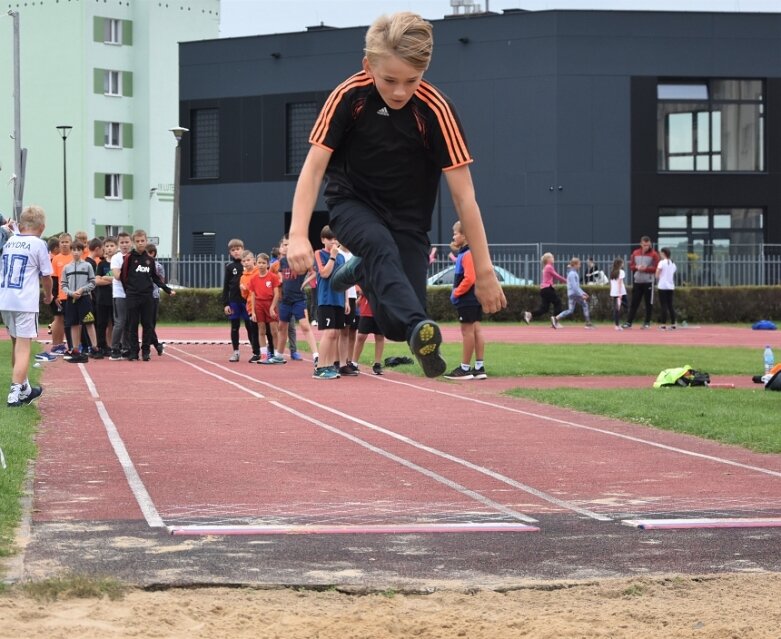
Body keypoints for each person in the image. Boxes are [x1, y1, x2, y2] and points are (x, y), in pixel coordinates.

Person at [286, 12, 506, 379]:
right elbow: (313, 169)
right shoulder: (349, 96)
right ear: (367, 65)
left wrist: (485, 271)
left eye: (412, 80)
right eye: (389, 80)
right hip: (352, 203)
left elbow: (465, 197)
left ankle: (363, 271)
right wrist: (297, 233)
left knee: (392, 323)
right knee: (379, 247)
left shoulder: (436, 110)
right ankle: (415, 319)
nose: (401, 92)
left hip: (407, 220)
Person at [0, 205, 54, 406]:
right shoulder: (39, 244)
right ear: (42, 227)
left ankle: (25, 389)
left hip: (5, 298)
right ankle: (15, 391)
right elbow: (46, 276)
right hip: (24, 301)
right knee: (24, 348)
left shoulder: (9, 240)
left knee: (16, 344)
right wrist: (48, 295)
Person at [120, 230, 175, 361]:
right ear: (134, 242)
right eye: (137, 241)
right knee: (132, 324)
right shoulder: (128, 258)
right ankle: (134, 351)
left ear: (146, 241)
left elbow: (156, 278)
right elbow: (123, 277)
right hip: (133, 296)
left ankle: (146, 351)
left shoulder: (149, 260)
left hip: (147, 297)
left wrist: (167, 290)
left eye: (142, 241)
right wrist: (129, 291)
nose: (140, 243)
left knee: (148, 324)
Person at [444, 220, 487, 380]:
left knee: (468, 332)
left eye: (455, 233)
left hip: (467, 299)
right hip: (473, 298)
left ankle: (464, 368)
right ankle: (479, 367)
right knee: (476, 330)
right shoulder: (467, 253)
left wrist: (456, 293)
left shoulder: (468, 254)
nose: (453, 236)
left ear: (465, 235)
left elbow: (469, 278)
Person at [275, 235, 319, 364]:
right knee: (282, 327)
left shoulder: (302, 260)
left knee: (305, 326)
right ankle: (279, 354)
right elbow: (281, 276)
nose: (285, 247)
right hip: (285, 300)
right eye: (284, 245)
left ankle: (316, 355)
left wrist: (305, 282)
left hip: (298, 299)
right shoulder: (282, 261)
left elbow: (315, 272)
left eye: (288, 244)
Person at [310, 226, 345, 379]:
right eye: (330, 239)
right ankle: (320, 367)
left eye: (336, 239)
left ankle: (329, 365)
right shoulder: (319, 253)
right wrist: (332, 256)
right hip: (326, 299)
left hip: (339, 300)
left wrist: (347, 302)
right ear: (324, 240)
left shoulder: (342, 257)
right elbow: (324, 273)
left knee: (336, 333)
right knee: (329, 332)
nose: (334, 242)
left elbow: (344, 279)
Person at [60, 240, 99, 363]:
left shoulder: (87, 266)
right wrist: (71, 293)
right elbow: (63, 285)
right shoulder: (66, 268)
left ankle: (94, 348)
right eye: (74, 250)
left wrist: (82, 290)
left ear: (82, 251)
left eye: (78, 250)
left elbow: (93, 283)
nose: (76, 252)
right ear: (71, 251)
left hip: (85, 298)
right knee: (74, 324)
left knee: (89, 322)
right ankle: (75, 349)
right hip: (72, 299)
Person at [222, 238, 255, 363]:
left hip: (246, 301)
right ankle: (235, 352)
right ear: (230, 252)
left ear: (243, 249)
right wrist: (226, 304)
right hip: (234, 301)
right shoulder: (230, 267)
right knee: (235, 327)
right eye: (233, 250)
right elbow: (225, 287)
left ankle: (255, 351)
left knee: (250, 326)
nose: (236, 252)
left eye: (238, 249)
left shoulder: (249, 265)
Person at [246, 252, 281, 363]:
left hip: (270, 304)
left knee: (274, 331)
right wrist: (253, 311)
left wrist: (272, 307)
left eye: (263, 263)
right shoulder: (253, 279)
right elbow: (252, 295)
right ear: (256, 264)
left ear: (267, 264)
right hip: (259, 305)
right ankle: (264, 355)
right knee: (261, 330)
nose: (261, 265)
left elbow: (276, 294)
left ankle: (277, 355)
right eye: (259, 263)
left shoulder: (273, 277)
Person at [623, 236, 660, 329]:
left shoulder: (654, 254)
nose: (646, 247)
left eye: (648, 245)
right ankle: (629, 322)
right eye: (644, 245)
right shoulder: (635, 253)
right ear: (641, 244)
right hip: (637, 281)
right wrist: (637, 267)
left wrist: (646, 269)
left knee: (648, 303)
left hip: (649, 282)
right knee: (634, 303)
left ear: (650, 244)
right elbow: (631, 266)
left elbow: (657, 268)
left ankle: (647, 323)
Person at [523, 252, 566, 326]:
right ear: (548, 259)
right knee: (558, 302)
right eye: (552, 257)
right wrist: (566, 280)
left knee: (544, 309)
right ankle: (555, 321)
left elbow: (548, 279)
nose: (553, 258)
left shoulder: (546, 267)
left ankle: (529, 314)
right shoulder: (549, 266)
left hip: (544, 289)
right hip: (547, 289)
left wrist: (552, 284)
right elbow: (556, 276)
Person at [352, 284, 385, 375]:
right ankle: (354, 363)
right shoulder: (366, 272)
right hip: (367, 308)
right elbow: (360, 290)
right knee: (361, 336)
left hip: (381, 309)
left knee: (379, 336)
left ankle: (377, 364)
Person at [109, 231, 133, 360]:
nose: (124, 245)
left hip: (132, 294)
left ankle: (126, 347)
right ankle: (114, 348)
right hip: (120, 294)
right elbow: (117, 276)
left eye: (127, 242)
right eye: (122, 243)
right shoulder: (116, 258)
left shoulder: (135, 256)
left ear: (131, 243)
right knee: (120, 322)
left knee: (129, 322)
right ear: (118, 244)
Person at [553, 257, 592, 329]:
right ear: (575, 265)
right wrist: (582, 295)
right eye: (579, 264)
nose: (580, 266)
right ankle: (588, 323)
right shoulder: (573, 274)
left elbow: (576, 287)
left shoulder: (571, 273)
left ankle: (556, 318)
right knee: (585, 304)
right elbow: (575, 287)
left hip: (571, 294)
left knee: (570, 310)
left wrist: (583, 293)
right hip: (574, 293)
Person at [238, 250, 262, 363]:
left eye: (248, 260)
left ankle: (270, 350)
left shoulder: (259, 272)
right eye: (244, 261)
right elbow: (245, 295)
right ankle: (256, 352)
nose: (246, 263)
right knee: (252, 329)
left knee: (265, 329)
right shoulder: (243, 277)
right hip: (250, 305)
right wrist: (243, 290)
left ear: (253, 260)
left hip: (262, 304)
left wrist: (247, 287)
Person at [94, 236, 116, 355]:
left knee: (115, 323)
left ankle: (114, 345)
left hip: (115, 298)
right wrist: (112, 279)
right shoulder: (101, 264)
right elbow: (96, 281)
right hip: (102, 298)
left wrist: (106, 278)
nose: (109, 248)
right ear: (103, 248)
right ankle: (101, 346)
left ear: (116, 247)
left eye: (112, 246)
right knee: (101, 323)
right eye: (107, 246)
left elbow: (120, 278)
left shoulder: (119, 263)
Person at [145, 243, 166, 355]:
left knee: (150, 323)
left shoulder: (157, 266)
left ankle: (151, 345)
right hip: (144, 296)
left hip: (153, 296)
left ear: (152, 253)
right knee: (147, 323)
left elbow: (161, 281)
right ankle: (156, 344)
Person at [656, 247, 677, 329]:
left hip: (662, 286)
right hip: (670, 286)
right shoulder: (673, 263)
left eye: (661, 253)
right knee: (670, 305)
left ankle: (663, 324)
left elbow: (658, 272)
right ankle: (673, 323)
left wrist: (657, 276)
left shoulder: (661, 262)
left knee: (663, 305)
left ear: (663, 253)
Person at [609, 257, 627, 331]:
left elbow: (611, 283)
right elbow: (620, 282)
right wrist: (620, 293)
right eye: (622, 263)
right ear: (620, 264)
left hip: (614, 292)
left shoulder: (612, 272)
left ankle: (617, 324)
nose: (623, 264)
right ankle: (617, 324)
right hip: (620, 292)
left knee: (617, 308)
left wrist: (611, 292)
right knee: (622, 307)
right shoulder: (621, 271)